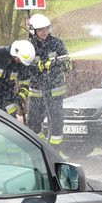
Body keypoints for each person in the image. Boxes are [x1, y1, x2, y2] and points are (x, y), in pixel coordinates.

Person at [23, 13, 72, 146]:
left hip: (55, 90)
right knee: (33, 121)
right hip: (36, 91)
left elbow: (68, 65)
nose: (45, 32)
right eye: (41, 30)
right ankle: (40, 145)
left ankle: (55, 148)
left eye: (46, 29)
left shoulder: (57, 43)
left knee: (56, 121)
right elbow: (24, 67)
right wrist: (37, 66)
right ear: (33, 31)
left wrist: (55, 64)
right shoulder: (28, 46)